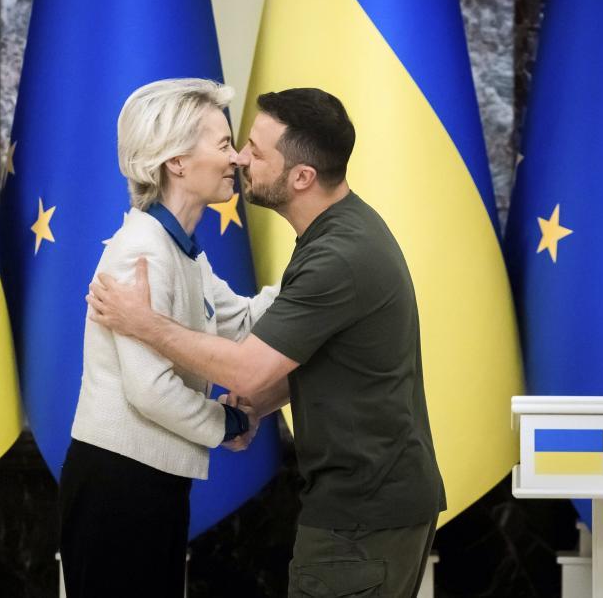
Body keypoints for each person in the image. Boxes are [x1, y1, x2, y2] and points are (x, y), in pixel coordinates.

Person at [88, 87, 446, 598]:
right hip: (367, 503)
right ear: (176, 163)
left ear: (301, 177)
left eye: (254, 148)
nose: (240, 157)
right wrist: (250, 411)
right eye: (234, 143)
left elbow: (248, 368)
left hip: (362, 513)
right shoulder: (333, 237)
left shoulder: (337, 254)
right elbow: (317, 355)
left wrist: (144, 324)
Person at [59, 78, 278, 598]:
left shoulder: (179, 249)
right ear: (176, 161)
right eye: (223, 145)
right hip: (117, 486)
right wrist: (228, 422)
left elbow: (244, 322)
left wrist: (315, 270)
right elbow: (150, 389)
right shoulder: (143, 252)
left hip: (148, 481)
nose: (238, 159)